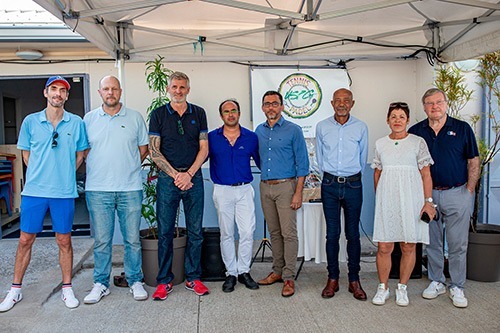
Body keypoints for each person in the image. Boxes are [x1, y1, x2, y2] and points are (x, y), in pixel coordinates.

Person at [0, 76, 88, 312]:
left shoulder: (76, 123)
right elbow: (26, 156)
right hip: (35, 192)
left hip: (63, 192)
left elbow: (82, 153)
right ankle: (15, 290)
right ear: (46, 93)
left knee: (64, 241)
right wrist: (43, 173)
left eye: (62, 91)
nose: (58, 94)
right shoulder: (30, 122)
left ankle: (67, 288)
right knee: (25, 240)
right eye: (54, 90)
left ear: (67, 96)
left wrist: (65, 172)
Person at [409, 88, 479, 308]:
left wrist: (469, 191)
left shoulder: (462, 128)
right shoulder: (416, 131)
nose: (434, 107)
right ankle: (437, 281)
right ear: (424, 107)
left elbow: (473, 161)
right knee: (433, 242)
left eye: (438, 102)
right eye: (429, 103)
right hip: (428, 196)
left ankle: (457, 285)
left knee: (458, 244)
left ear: (446, 104)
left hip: (457, 192)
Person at [83, 76, 149, 304]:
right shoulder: (88, 119)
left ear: (120, 91)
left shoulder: (135, 118)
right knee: (102, 240)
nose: (110, 92)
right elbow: (84, 151)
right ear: (100, 92)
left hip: (130, 188)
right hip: (98, 189)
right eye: (106, 89)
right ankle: (100, 283)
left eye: (114, 88)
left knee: (132, 239)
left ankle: (135, 280)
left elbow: (143, 149)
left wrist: (127, 168)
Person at [148, 71, 209, 300]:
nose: (178, 91)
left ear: (188, 90)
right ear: (168, 89)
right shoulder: (158, 114)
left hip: (194, 178)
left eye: (182, 87)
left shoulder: (199, 113)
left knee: (195, 232)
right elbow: (155, 151)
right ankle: (164, 281)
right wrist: (176, 175)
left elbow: (204, 147)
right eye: (174, 87)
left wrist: (189, 174)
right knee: (164, 232)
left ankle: (194, 277)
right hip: (168, 180)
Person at [371, 102, 435, 307]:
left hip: (412, 199)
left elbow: (426, 174)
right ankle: (383, 288)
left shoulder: (418, 142)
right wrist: (380, 198)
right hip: (387, 199)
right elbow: (377, 172)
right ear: (387, 120)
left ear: (407, 120)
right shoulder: (381, 144)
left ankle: (402, 288)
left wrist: (428, 202)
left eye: (401, 116)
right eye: (393, 116)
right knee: (384, 246)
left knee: (408, 245)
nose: (397, 120)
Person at [315, 88, 368, 301]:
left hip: (353, 184)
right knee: (332, 235)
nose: (342, 104)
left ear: (352, 103)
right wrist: (330, 177)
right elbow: (319, 157)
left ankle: (354, 280)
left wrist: (351, 177)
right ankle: (333, 278)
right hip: (329, 184)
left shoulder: (361, 127)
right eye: (338, 100)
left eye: (346, 100)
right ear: (332, 103)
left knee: (353, 234)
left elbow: (363, 159)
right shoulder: (322, 127)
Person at [255, 90, 309, 298]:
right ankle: (277, 271)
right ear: (262, 107)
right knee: (274, 233)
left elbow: (302, 164)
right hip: (265, 187)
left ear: (282, 106)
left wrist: (298, 193)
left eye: (275, 103)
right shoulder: (258, 131)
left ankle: (289, 277)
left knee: (289, 233)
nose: (271, 107)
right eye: (267, 104)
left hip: (286, 187)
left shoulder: (293, 130)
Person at [208, 99, 261, 292]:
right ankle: (231, 273)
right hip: (222, 190)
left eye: (234, 111)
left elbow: (263, 162)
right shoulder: (212, 137)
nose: (230, 114)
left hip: (245, 189)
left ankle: (244, 271)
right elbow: (199, 157)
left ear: (239, 113)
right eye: (226, 111)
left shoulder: (251, 137)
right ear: (221, 116)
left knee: (247, 231)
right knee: (227, 233)